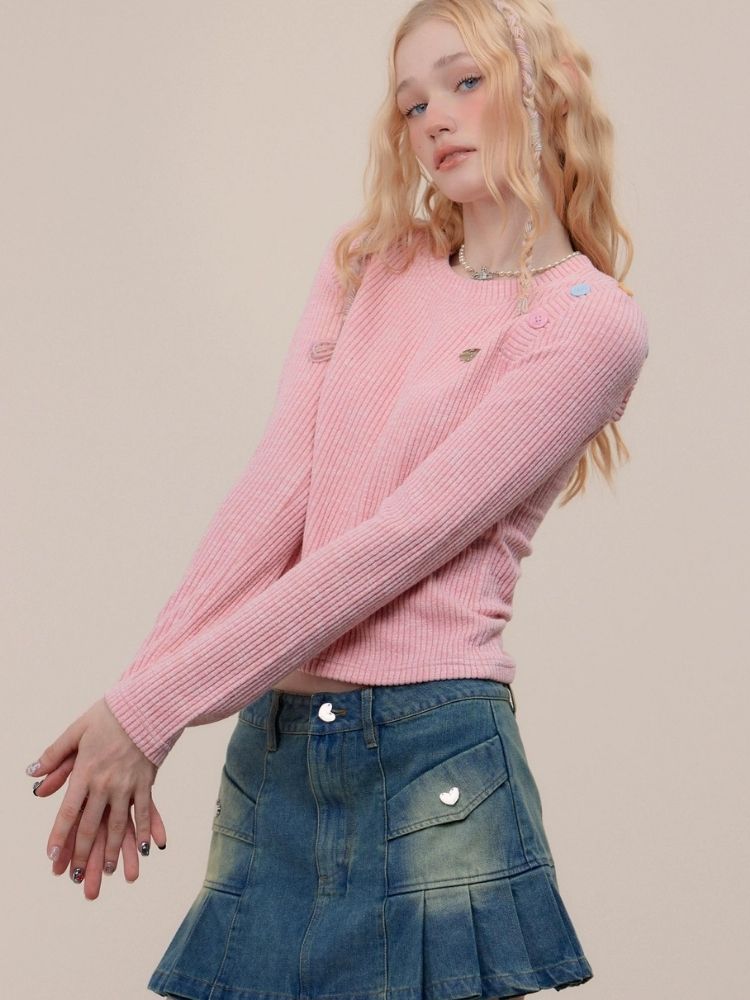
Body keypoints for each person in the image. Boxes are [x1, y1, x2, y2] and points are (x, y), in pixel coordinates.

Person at [26, 1, 649, 997]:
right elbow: (279, 491)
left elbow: (396, 542)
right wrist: (140, 704)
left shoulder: (586, 322)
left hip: (431, 755)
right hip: (275, 745)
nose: (434, 118)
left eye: (465, 81)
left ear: (546, 88)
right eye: (412, 103)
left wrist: (154, 707)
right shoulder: (368, 266)